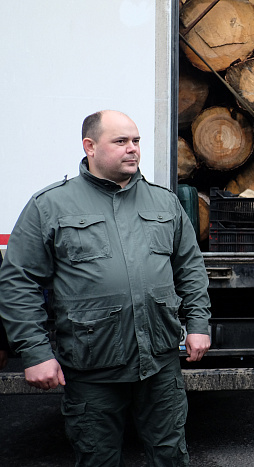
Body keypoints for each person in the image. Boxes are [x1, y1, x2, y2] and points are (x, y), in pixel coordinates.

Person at [0, 110, 211, 466]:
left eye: (136, 141)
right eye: (121, 141)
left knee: (171, 454)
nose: (133, 149)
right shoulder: (50, 205)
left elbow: (190, 268)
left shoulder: (164, 202)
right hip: (92, 367)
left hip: (159, 363)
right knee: (97, 458)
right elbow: (19, 282)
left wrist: (199, 325)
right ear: (90, 146)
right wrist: (35, 353)